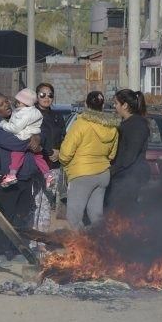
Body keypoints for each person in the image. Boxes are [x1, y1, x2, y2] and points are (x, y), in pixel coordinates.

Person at [0, 92, 43, 260]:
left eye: (6, 101)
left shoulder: (21, 115)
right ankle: (0, 250)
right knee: (6, 214)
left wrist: (38, 136)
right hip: (6, 176)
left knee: (21, 214)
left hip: (26, 174)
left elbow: (41, 130)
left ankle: (17, 249)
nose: (6, 105)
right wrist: (31, 140)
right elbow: (13, 142)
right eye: (1, 104)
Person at [59, 91, 118, 230]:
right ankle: (99, 246)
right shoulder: (112, 127)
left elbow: (66, 153)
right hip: (103, 174)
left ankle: (81, 248)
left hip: (82, 175)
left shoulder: (81, 124)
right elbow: (112, 155)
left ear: (86, 104)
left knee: (74, 217)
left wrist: (64, 162)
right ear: (103, 105)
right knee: (96, 216)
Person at [106, 89, 151, 214]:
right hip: (121, 177)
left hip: (129, 177)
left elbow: (130, 155)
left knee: (122, 215)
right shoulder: (126, 123)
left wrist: (112, 171)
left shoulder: (137, 125)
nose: (114, 107)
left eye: (116, 103)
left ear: (125, 105)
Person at [0, 88, 53, 189]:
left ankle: (12, 174)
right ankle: (48, 175)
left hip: (24, 136)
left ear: (24, 103)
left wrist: (3, 124)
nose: (16, 104)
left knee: (16, 154)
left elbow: (16, 128)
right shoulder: (35, 112)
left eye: (18, 102)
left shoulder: (24, 113)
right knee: (39, 158)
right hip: (33, 135)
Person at [31, 83, 66, 241]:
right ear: (36, 96)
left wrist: (59, 152)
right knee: (34, 204)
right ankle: (31, 240)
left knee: (46, 203)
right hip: (35, 164)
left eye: (50, 95)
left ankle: (42, 240)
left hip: (53, 167)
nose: (46, 98)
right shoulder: (30, 114)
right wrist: (47, 151)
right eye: (42, 94)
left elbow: (64, 138)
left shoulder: (57, 116)